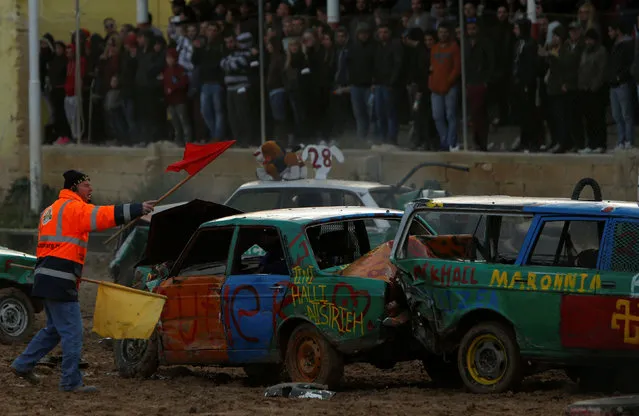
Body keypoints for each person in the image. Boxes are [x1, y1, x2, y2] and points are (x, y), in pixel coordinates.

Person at [10, 170, 156, 393]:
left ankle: (23, 364)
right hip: (61, 278)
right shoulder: (74, 208)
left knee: (54, 329)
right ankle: (70, 382)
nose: (91, 189)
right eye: (87, 185)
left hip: (45, 277)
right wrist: (138, 208)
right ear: (75, 187)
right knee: (73, 332)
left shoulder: (49, 211)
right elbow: (103, 215)